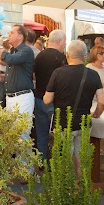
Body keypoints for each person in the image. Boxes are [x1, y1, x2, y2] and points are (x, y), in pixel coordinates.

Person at [43, 40, 104, 179]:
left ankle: (67, 192)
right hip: (84, 123)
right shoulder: (93, 74)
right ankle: (81, 189)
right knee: (81, 159)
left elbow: (47, 100)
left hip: (63, 123)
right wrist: (96, 114)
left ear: (67, 55)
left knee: (65, 161)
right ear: (85, 57)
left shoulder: (58, 73)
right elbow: (102, 101)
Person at [33, 30, 66, 163]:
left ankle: (42, 162)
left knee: (41, 134)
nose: (64, 44)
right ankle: (57, 164)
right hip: (55, 101)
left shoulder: (39, 55)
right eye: (64, 41)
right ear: (59, 41)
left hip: (39, 98)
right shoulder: (61, 57)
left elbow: (34, 76)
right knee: (57, 134)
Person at [0, 25, 35, 140]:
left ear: (20, 36)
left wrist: (0, 46)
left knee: (22, 135)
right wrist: (3, 77)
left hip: (22, 98)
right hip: (11, 98)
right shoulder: (13, 51)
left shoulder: (26, 50)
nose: (9, 35)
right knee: (11, 135)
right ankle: (16, 158)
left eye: (12, 33)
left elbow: (11, 60)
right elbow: (17, 72)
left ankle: (24, 159)